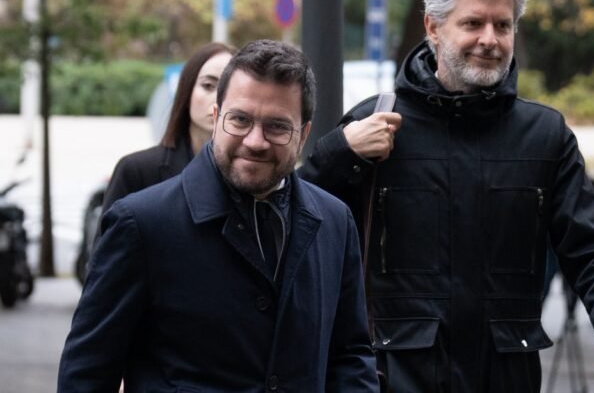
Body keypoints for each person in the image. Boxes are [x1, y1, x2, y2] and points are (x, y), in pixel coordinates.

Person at [299, 0, 594, 391]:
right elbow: (300, 224)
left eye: (503, 25)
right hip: (395, 378)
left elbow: (593, 253)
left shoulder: (544, 136)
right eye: (473, 23)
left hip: (504, 379)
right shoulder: (374, 125)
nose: (489, 39)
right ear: (433, 27)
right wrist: (340, 151)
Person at [59, 40, 379, 392]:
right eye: (240, 120)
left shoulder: (335, 223)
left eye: (277, 126)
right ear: (216, 118)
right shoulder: (142, 224)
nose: (255, 141)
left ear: (303, 135)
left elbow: (350, 357)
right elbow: (87, 373)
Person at [101, 42, 236, 211]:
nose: (217, 100)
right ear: (187, 92)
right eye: (208, 85)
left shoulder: (246, 172)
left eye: (228, 89)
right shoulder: (136, 170)